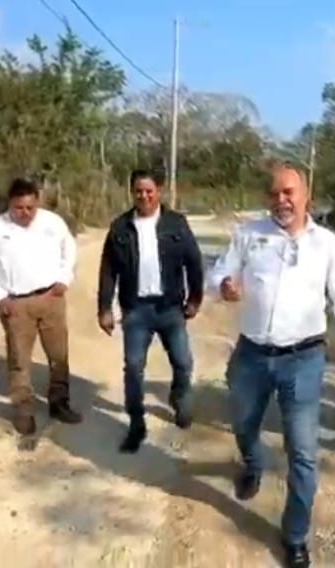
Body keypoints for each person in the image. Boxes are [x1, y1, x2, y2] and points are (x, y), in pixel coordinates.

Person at [207, 163, 335, 568]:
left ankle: (294, 536)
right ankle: (253, 463)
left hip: (304, 359)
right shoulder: (249, 235)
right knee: (244, 423)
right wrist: (224, 285)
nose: (282, 200)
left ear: (306, 196)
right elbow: (219, 272)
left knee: (304, 452)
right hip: (252, 355)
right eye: (275, 193)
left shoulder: (326, 244)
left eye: (289, 192)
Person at [97, 168, 204, 453]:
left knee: (183, 362)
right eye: (138, 191)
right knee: (133, 368)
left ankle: (179, 399)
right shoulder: (120, 227)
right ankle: (136, 424)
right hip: (136, 310)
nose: (143, 196)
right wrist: (104, 308)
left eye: (149, 191)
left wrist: (195, 298)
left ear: (159, 191)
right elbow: (108, 271)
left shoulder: (176, 223)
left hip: (170, 308)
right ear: (132, 193)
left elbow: (194, 262)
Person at [0, 178, 81, 435]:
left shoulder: (52, 223)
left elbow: (69, 249)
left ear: (38, 202)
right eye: (19, 208)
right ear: (9, 204)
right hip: (15, 304)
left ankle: (59, 402)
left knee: (58, 355)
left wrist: (64, 279)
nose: (25, 213)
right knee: (19, 360)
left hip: (51, 297)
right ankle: (23, 409)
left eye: (30, 208)